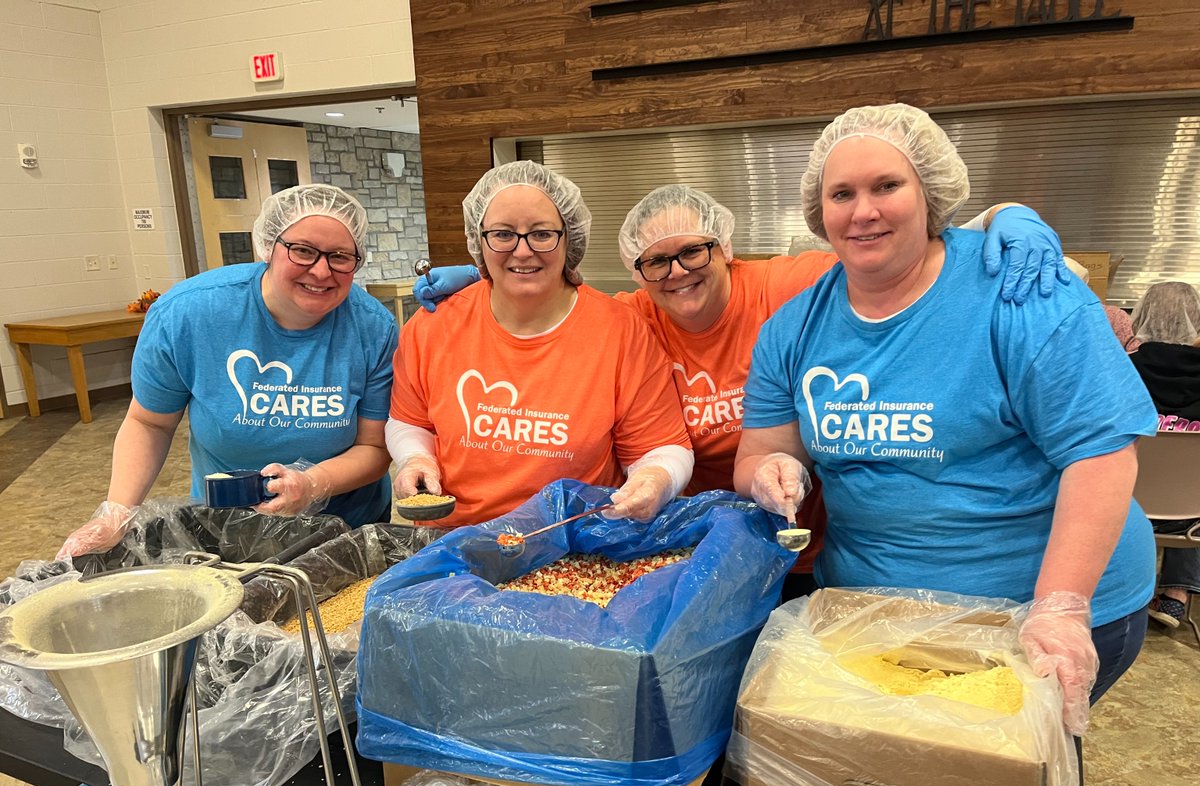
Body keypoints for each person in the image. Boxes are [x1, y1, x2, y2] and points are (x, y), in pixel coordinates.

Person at [733, 103, 1159, 736]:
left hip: (1030, 612)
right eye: (841, 193)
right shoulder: (794, 329)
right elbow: (758, 453)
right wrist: (769, 470)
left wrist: (1061, 608)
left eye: (886, 186)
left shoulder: (1021, 290)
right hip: (872, 612)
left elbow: (1099, 453)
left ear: (929, 193)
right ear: (819, 212)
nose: (863, 210)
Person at [413, 186, 1067, 568]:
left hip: (800, 534)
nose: (676, 273)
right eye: (654, 262)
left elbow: (888, 252)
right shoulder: (631, 319)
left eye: (692, 252)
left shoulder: (785, 286)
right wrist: (488, 276)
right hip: (692, 542)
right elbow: (560, 307)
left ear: (724, 247)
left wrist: (997, 221)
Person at [58, 184, 398, 558]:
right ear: (269, 246)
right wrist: (116, 514)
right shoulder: (190, 314)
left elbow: (374, 446)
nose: (321, 271)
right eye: (302, 250)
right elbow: (149, 423)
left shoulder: (373, 329)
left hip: (345, 523)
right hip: (223, 528)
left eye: (340, 256)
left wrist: (310, 484)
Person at [386, 160, 692, 527]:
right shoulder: (434, 325)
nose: (522, 250)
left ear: (569, 238)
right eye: (502, 234)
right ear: (479, 240)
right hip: (455, 540)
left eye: (542, 234)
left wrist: (655, 478)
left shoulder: (621, 332)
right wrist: (415, 458)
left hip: (576, 544)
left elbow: (658, 447)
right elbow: (408, 421)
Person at [1128, 281, 1200, 627]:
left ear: (1141, 315)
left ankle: (1120, 594)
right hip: (1192, 520)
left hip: (1122, 507)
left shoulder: (1118, 370)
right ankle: (1176, 596)